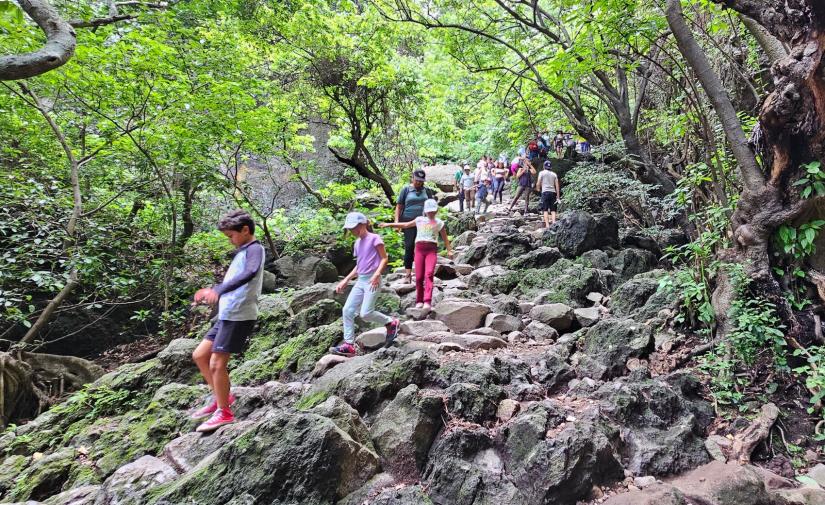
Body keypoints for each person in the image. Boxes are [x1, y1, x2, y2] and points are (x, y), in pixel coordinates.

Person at [190, 210, 266, 433]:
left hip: (239, 315)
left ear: (245, 230)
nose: (230, 241)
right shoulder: (242, 251)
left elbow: (251, 272)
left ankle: (224, 413)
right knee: (200, 355)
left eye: (231, 236)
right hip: (226, 314)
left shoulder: (255, 249)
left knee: (217, 363)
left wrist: (220, 289)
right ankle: (223, 397)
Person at [330, 212, 400, 357]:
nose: (351, 231)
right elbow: (359, 265)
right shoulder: (357, 243)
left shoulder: (375, 239)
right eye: (349, 229)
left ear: (362, 225)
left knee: (366, 313)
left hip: (372, 279)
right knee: (347, 310)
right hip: (361, 280)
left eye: (353, 228)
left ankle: (391, 322)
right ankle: (349, 345)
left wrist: (376, 274)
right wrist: (346, 280)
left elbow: (384, 259)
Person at [379, 199, 452, 310]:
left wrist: (449, 250)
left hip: (431, 250)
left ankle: (427, 301)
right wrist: (389, 224)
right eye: (429, 211)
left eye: (433, 211)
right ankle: (419, 300)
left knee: (429, 274)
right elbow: (406, 225)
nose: (431, 213)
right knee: (418, 277)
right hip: (419, 249)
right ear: (425, 211)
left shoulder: (439, 223)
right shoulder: (419, 220)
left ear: (436, 210)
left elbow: (445, 238)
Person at [395, 169, 435, 284]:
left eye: (421, 181)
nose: (419, 183)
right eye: (417, 180)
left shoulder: (427, 191)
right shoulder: (406, 190)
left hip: (423, 222)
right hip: (408, 222)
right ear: (412, 178)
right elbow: (399, 207)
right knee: (409, 246)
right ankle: (408, 275)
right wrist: (397, 222)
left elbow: (432, 206)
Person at [535, 160, 561, 228]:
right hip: (553, 193)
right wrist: (558, 197)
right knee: (553, 210)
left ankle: (547, 225)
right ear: (550, 167)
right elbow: (557, 186)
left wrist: (538, 189)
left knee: (545, 209)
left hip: (545, 192)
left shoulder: (542, 173)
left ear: (544, 166)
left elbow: (538, 182)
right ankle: (554, 223)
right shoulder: (554, 174)